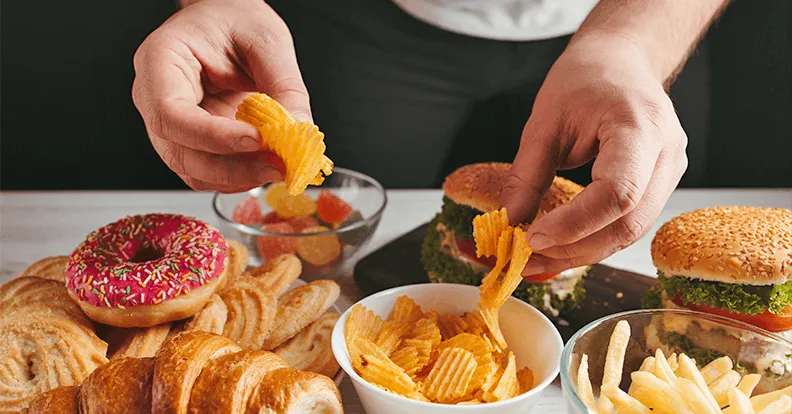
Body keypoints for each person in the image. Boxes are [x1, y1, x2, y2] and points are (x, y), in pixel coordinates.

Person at [131, 0, 729, 277]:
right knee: (333, 236)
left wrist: (625, 46)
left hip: (634, 22)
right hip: (365, 26)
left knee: (610, 214)